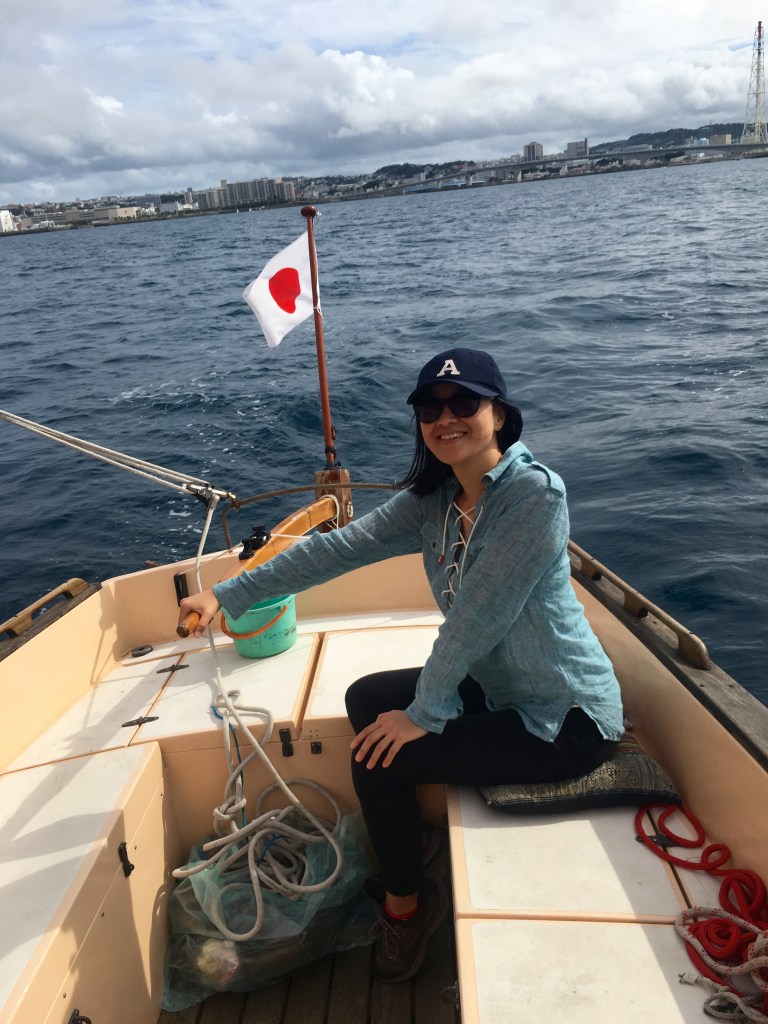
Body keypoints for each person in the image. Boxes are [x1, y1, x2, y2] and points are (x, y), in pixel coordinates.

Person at [178, 347, 625, 984]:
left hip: (563, 716)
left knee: (377, 760)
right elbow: (336, 549)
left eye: (464, 402)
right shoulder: (435, 500)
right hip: (500, 686)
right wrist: (228, 594)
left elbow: (477, 618)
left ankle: (407, 909)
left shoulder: (533, 496)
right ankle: (408, 843)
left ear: (499, 414)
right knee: (366, 698)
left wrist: (425, 711)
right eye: (429, 407)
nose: (446, 418)